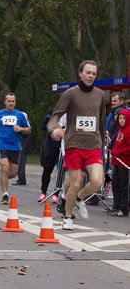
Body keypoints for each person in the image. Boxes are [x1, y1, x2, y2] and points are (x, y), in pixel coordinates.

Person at [47, 60, 105, 230]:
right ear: (80, 73)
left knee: (96, 182)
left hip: (93, 144)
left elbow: (100, 120)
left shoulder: (100, 94)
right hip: (74, 144)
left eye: (93, 74)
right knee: (76, 182)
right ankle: (67, 216)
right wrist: (53, 130)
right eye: (88, 72)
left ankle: (79, 198)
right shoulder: (70, 93)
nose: (90, 76)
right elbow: (55, 115)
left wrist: (102, 141)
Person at [0, 93, 31, 204]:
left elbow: (28, 130)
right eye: (9, 101)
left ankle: (3, 177)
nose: (11, 103)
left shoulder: (20, 115)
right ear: (5, 102)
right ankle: (5, 194)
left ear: (15, 102)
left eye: (13, 101)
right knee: (4, 167)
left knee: (12, 173)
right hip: (2, 145)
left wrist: (20, 128)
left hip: (15, 146)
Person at [107, 109, 130, 216]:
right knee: (115, 185)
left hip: (124, 162)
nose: (121, 120)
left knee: (123, 186)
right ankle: (116, 206)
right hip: (116, 162)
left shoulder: (128, 130)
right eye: (120, 118)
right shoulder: (120, 130)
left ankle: (123, 208)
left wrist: (119, 152)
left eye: (124, 118)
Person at [38, 108, 61, 203]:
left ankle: (56, 194)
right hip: (51, 146)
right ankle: (43, 192)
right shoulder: (51, 112)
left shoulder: (70, 113)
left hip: (63, 146)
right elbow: (43, 127)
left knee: (61, 172)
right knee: (47, 169)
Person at [13, 112, 31, 186]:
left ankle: (22, 180)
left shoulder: (26, 126)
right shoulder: (24, 126)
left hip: (23, 147)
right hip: (22, 146)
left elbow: (24, 135)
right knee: (20, 163)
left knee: (21, 164)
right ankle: (21, 179)